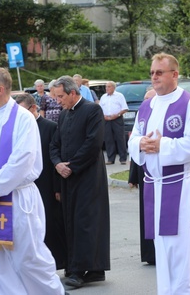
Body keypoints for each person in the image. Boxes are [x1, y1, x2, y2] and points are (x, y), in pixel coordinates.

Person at [0, 67, 65, 294]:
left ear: (0, 89)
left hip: (17, 199)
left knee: (28, 259)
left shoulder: (23, 119)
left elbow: (23, 160)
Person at [128, 52, 190, 294]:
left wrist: (164, 145)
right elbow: (133, 138)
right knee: (162, 246)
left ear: (174, 74)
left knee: (178, 246)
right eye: (152, 72)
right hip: (153, 183)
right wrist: (141, 144)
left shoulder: (187, 104)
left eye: (159, 72)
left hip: (179, 183)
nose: (154, 77)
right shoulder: (146, 106)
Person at [50, 76, 110, 289]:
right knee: (70, 221)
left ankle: (80, 270)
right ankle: (91, 269)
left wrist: (72, 166)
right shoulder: (64, 114)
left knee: (85, 222)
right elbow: (55, 144)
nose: (58, 101)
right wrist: (58, 164)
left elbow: (93, 144)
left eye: (60, 96)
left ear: (72, 93)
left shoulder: (92, 110)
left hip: (87, 177)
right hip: (67, 177)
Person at [14, 93, 67, 270]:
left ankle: (59, 262)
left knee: (51, 223)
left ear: (33, 108)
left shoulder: (50, 127)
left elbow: (55, 157)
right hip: (26, 184)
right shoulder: (18, 129)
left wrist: (57, 187)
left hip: (47, 182)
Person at [128, 88, 156, 265]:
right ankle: (150, 253)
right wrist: (132, 177)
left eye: (149, 99)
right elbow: (133, 140)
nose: (146, 102)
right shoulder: (142, 112)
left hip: (167, 172)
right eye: (144, 99)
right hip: (144, 167)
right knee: (148, 212)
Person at [100, 81, 129, 165]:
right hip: (106, 120)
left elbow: (125, 108)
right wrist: (103, 116)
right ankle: (110, 158)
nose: (107, 88)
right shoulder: (103, 97)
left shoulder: (119, 96)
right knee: (108, 139)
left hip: (117, 119)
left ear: (113, 87)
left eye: (108, 87)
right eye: (106, 87)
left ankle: (123, 158)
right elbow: (100, 108)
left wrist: (117, 115)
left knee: (120, 138)